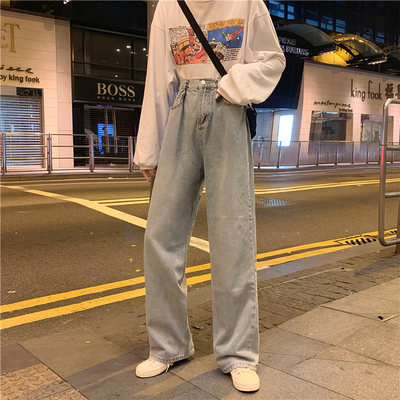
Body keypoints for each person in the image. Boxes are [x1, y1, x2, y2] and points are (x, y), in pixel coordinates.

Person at [133, 0, 285, 392]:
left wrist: (233, 84)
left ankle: (238, 353)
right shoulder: (168, 6)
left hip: (228, 110)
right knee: (160, 235)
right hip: (182, 109)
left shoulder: (247, 2)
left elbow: (273, 59)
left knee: (233, 236)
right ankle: (168, 345)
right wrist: (149, 150)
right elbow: (158, 80)